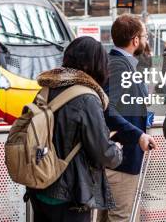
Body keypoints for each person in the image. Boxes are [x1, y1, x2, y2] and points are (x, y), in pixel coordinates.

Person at [28, 36, 123, 222]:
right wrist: (116, 151)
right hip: (69, 193)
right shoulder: (87, 98)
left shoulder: (48, 88)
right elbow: (101, 150)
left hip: (39, 184)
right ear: (94, 64)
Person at [99, 14, 158, 222]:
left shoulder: (118, 63)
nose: (146, 40)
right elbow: (109, 111)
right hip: (122, 162)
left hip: (116, 158)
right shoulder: (120, 67)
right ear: (135, 40)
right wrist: (139, 135)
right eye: (145, 36)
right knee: (121, 218)